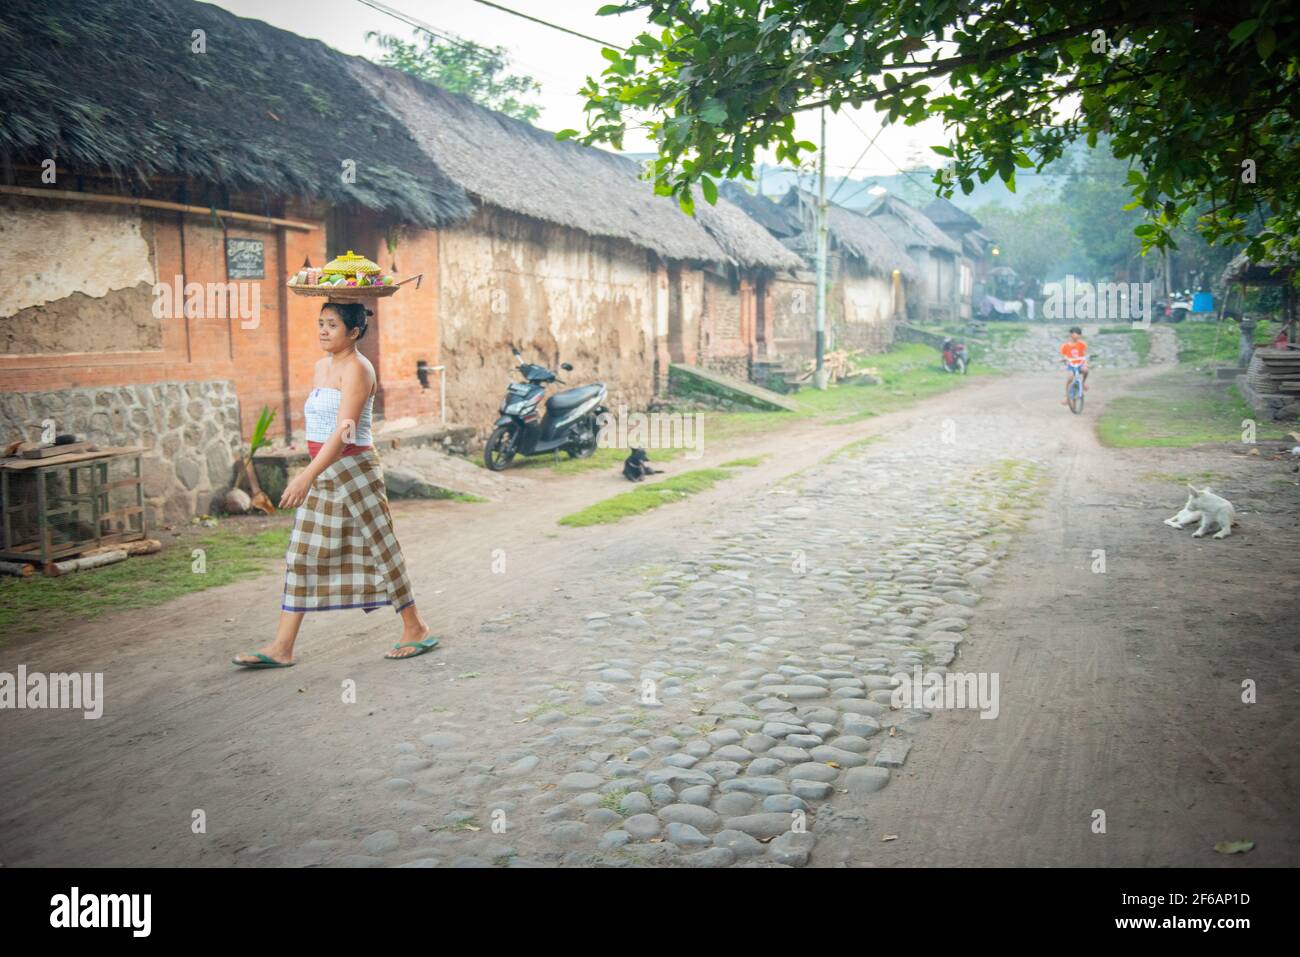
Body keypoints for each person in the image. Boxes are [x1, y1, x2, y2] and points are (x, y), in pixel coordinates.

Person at [233, 302, 436, 668]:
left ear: (354, 332)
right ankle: (282, 647)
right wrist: (312, 468)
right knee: (302, 553)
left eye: (332, 325)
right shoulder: (321, 367)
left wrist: (306, 475)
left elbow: (344, 433)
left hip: (354, 469)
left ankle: (415, 627)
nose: (323, 331)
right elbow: (319, 426)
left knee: (380, 547)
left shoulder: (358, 369)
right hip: (323, 470)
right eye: (320, 323)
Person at [1060, 325, 1088, 404]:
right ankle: (1066, 396)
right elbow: (1064, 355)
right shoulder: (1065, 346)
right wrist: (1065, 359)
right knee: (1070, 377)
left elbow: (1084, 354)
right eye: (1076, 334)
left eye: (1079, 334)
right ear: (1071, 334)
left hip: (1080, 364)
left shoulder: (1082, 344)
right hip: (1071, 365)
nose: (1078, 336)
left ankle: (1083, 382)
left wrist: (1085, 363)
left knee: (1085, 370)